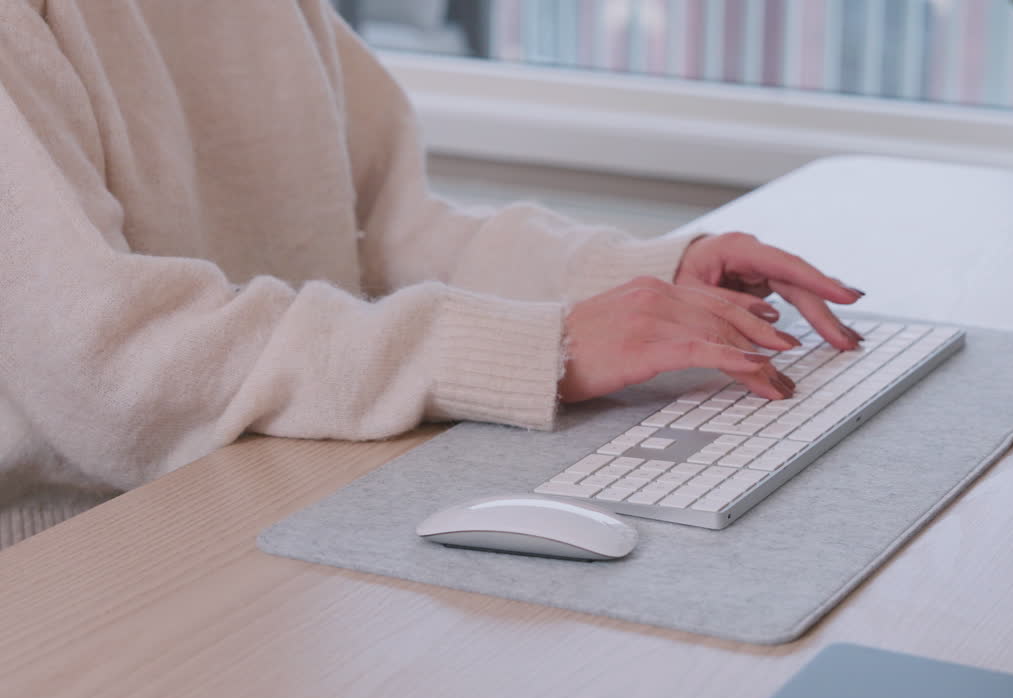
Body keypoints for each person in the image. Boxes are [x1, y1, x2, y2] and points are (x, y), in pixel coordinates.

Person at [0, 0, 864, 547]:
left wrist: (642, 277)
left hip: (270, 490)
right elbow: (113, 368)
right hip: (82, 560)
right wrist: (541, 348)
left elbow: (390, 233)